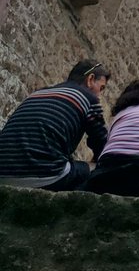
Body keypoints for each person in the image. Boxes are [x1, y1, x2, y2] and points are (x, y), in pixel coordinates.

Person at [0, 59, 109, 190]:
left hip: (3, 173)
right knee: (99, 169)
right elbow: (101, 144)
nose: (99, 95)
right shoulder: (89, 99)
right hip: (44, 175)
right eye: (101, 88)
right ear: (90, 79)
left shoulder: (36, 94)